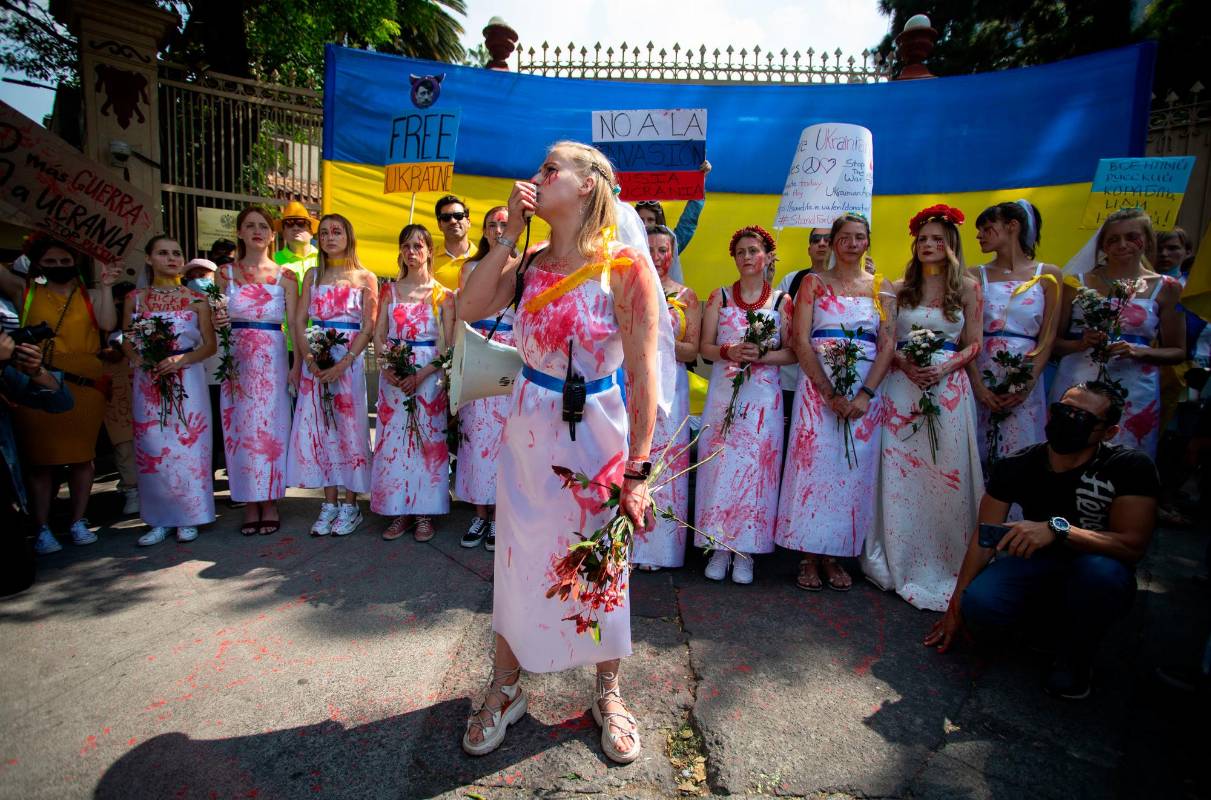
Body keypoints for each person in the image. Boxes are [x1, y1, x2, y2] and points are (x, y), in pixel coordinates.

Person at [457, 141, 666, 763]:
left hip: (596, 435)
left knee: (600, 564)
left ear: (589, 186)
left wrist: (639, 470)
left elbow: (644, 374)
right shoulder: (530, 263)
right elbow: (467, 309)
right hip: (527, 429)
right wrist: (507, 235)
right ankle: (506, 686)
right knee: (518, 560)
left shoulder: (625, 267)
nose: (536, 178)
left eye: (550, 169)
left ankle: (607, 690)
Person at [925, 381, 1159, 700]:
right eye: (1064, 410)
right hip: (1036, 562)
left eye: (1082, 417)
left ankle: (1075, 658)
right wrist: (956, 604)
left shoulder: (1128, 467)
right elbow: (985, 535)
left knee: (1100, 576)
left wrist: (1059, 529)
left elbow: (1132, 546)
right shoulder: (1018, 463)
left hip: (1094, 564)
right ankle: (1043, 625)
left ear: (1108, 432)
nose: (1068, 420)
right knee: (979, 605)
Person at [861, 205, 984, 611]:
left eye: (937, 239)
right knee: (903, 473)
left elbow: (975, 342)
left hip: (947, 389)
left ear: (952, 244)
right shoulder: (897, 288)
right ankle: (900, 555)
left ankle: (948, 558)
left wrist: (945, 366)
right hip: (902, 387)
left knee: (943, 471)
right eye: (923, 239)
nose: (929, 245)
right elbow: (887, 340)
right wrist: (904, 363)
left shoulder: (967, 287)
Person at [776, 213, 895, 591]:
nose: (852, 243)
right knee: (813, 467)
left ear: (868, 241)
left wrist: (865, 394)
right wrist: (827, 392)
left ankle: (836, 553)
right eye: (844, 237)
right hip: (817, 392)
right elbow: (800, 337)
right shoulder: (813, 283)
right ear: (833, 242)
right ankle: (808, 555)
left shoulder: (882, 287)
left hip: (864, 396)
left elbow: (888, 343)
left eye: (859, 237)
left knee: (851, 472)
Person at [695, 225, 796, 584]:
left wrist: (764, 354)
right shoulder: (719, 296)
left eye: (754, 251)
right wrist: (728, 351)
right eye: (741, 252)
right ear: (734, 258)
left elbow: (793, 352)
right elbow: (704, 349)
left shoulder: (783, 302)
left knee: (756, 469)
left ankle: (746, 552)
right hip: (724, 394)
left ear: (768, 256)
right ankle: (718, 545)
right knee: (720, 465)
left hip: (762, 399)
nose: (748, 257)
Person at [1051, 208, 1185, 458]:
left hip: (1135, 387)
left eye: (1131, 237)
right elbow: (1053, 342)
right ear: (1102, 245)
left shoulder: (1167, 288)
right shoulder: (1075, 283)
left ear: (1146, 239)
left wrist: (1139, 351)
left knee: (1126, 454)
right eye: (1113, 239)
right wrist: (1079, 344)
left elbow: (1178, 351)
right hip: (1078, 379)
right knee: (1070, 447)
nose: (1122, 245)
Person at [14, 239, 120, 555]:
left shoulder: (89, 295)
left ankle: (78, 519)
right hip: (39, 381)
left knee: (81, 458)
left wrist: (106, 287)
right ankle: (42, 526)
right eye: (51, 261)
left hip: (85, 385)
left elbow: (108, 324)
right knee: (41, 462)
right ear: (37, 263)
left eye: (65, 261)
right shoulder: (26, 292)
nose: (59, 266)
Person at [121, 236, 217, 545]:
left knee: (188, 445)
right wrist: (140, 359)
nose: (171, 258)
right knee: (153, 445)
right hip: (150, 379)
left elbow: (209, 345)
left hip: (187, 377)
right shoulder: (135, 298)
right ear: (149, 259)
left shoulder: (196, 298)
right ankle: (158, 517)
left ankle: (190, 515)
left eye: (176, 253)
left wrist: (181, 359)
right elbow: (125, 338)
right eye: (163, 253)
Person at [288, 213, 377, 537]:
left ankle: (351, 505)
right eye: (323, 232)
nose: (329, 237)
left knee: (350, 432)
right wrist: (310, 360)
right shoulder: (312, 275)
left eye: (336, 231)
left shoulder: (366, 277)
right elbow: (299, 322)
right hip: (318, 362)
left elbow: (368, 325)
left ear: (348, 236)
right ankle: (329, 503)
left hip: (348, 366)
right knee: (322, 432)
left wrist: (346, 362)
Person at [214, 206, 299, 535]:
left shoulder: (286, 276)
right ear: (239, 232)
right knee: (241, 429)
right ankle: (249, 500)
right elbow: (214, 316)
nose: (257, 231)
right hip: (236, 361)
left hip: (273, 358)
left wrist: (296, 366)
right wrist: (218, 320)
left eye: (263, 226)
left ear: (273, 235)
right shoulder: (225, 275)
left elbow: (293, 324)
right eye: (249, 226)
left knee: (272, 429)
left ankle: (272, 498)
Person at [371, 224, 454, 542]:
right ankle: (398, 510)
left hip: (427, 380)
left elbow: (447, 348)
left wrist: (422, 375)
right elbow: (379, 336)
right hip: (394, 379)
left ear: (430, 250)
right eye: (406, 246)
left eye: (418, 246)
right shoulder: (389, 291)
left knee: (426, 444)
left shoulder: (443, 296)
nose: (412, 252)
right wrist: (387, 368)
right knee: (395, 444)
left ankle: (424, 512)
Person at [969, 201, 1062, 469]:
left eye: (987, 228)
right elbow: (965, 335)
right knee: (979, 446)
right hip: (982, 365)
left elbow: (1048, 335)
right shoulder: (975, 275)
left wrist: (1026, 384)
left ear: (1012, 226)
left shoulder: (1049, 275)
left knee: (1021, 448)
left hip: (1024, 367)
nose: (979, 236)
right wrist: (978, 385)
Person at [632, 224, 700, 571]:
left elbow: (693, 351)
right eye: (652, 248)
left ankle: (659, 549)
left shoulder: (686, 296)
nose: (658, 257)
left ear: (672, 255)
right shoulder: (629, 287)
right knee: (632, 459)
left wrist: (661, 336)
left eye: (664, 250)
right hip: (634, 382)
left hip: (672, 387)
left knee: (666, 461)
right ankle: (627, 544)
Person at [454, 206, 517, 549]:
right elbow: (462, 315)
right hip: (478, 350)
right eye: (491, 224)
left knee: (507, 440)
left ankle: (502, 516)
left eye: (503, 224)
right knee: (477, 439)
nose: (496, 229)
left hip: (511, 357)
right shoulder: (470, 267)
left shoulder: (526, 265)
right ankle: (480, 513)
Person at [775, 227, 834, 429]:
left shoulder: (849, 284)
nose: (822, 243)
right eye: (816, 239)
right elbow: (776, 322)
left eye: (828, 239)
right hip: (791, 377)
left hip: (834, 376)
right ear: (809, 248)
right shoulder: (792, 280)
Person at [182, 258, 226, 477]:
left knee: (222, 428)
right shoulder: (183, 302)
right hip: (192, 376)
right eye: (194, 276)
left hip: (221, 374)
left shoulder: (224, 302)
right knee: (199, 428)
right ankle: (204, 479)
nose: (199, 280)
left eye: (205, 275)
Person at [101, 282, 139, 516]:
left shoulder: (151, 316)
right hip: (118, 388)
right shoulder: (105, 323)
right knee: (124, 440)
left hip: (149, 382)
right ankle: (131, 490)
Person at [633, 160, 712, 263]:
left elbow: (688, 222)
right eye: (641, 220)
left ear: (658, 222)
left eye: (650, 220)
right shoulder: (624, 246)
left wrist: (701, 179)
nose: (645, 224)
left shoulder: (669, 246)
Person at [432, 195, 473, 291]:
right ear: (439, 225)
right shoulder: (427, 260)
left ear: (468, 222)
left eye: (458, 215)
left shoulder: (484, 258)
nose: (453, 221)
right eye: (446, 217)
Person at [272, 201, 320, 273]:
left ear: (311, 232)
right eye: (289, 224)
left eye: (301, 223)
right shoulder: (273, 260)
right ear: (283, 233)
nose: (295, 228)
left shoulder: (324, 259)